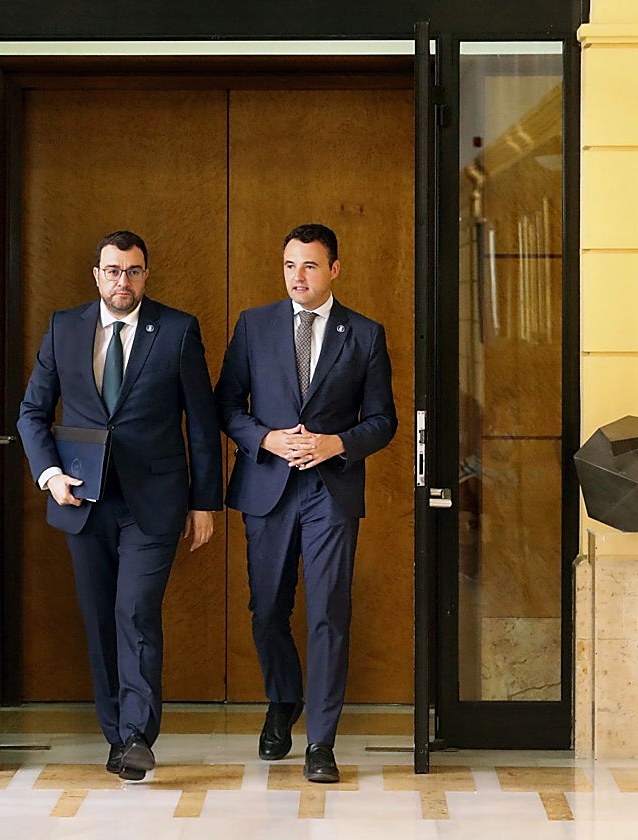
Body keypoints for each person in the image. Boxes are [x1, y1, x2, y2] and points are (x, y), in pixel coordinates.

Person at [17, 229, 223, 781]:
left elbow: (202, 423)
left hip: (153, 503)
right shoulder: (65, 327)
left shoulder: (177, 330)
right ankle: (116, 736)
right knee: (99, 618)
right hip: (82, 499)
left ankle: (137, 736)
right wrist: (49, 475)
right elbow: (32, 412)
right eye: (112, 271)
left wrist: (205, 503)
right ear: (97, 275)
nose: (122, 281)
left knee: (135, 611)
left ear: (145, 275)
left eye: (132, 271)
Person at [214, 223, 397, 783]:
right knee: (268, 608)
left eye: (310, 265)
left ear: (334, 269)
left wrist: (336, 444)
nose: (298, 276)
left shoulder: (364, 334)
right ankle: (283, 699)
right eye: (290, 265)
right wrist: (267, 439)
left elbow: (383, 420)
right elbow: (225, 405)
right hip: (267, 487)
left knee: (327, 613)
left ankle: (321, 741)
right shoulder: (254, 325)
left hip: (330, 491)